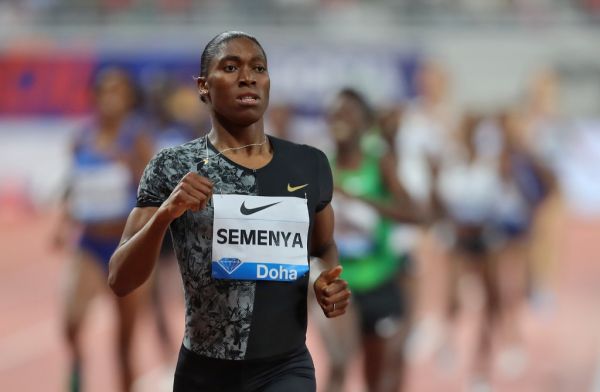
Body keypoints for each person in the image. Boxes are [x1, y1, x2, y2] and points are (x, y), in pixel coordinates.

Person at [107, 31, 351, 392]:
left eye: (258, 68)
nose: (247, 76)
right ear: (204, 86)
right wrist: (166, 214)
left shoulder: (309, 164)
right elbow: (120, 279)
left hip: (284, 368)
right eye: (231, 67)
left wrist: (325, 280)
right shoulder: (172, 167)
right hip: (204, 372)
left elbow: (322, 248)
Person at [55, 67, 154, 392]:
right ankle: (77, 362)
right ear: (95, 97)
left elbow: (155, 191)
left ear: (128, 99)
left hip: (126, 247)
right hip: (89, 242)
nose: (111, 98)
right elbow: (74, 184)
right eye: (105, 91)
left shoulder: (136, 137)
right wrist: (62, 221)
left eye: (119, 91)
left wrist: (131, 167)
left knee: (124, 342)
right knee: (71, 320)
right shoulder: (81, 137)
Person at [316, 88, 421, 392]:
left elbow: (415, 214)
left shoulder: (380, 163)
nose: (340, 120)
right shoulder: (319, 164)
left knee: (377, 377)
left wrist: (361, 199)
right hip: (335, 281)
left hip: (379, 280)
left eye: (347, 114)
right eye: (334, 114)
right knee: (339, 360)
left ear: (364, 123)